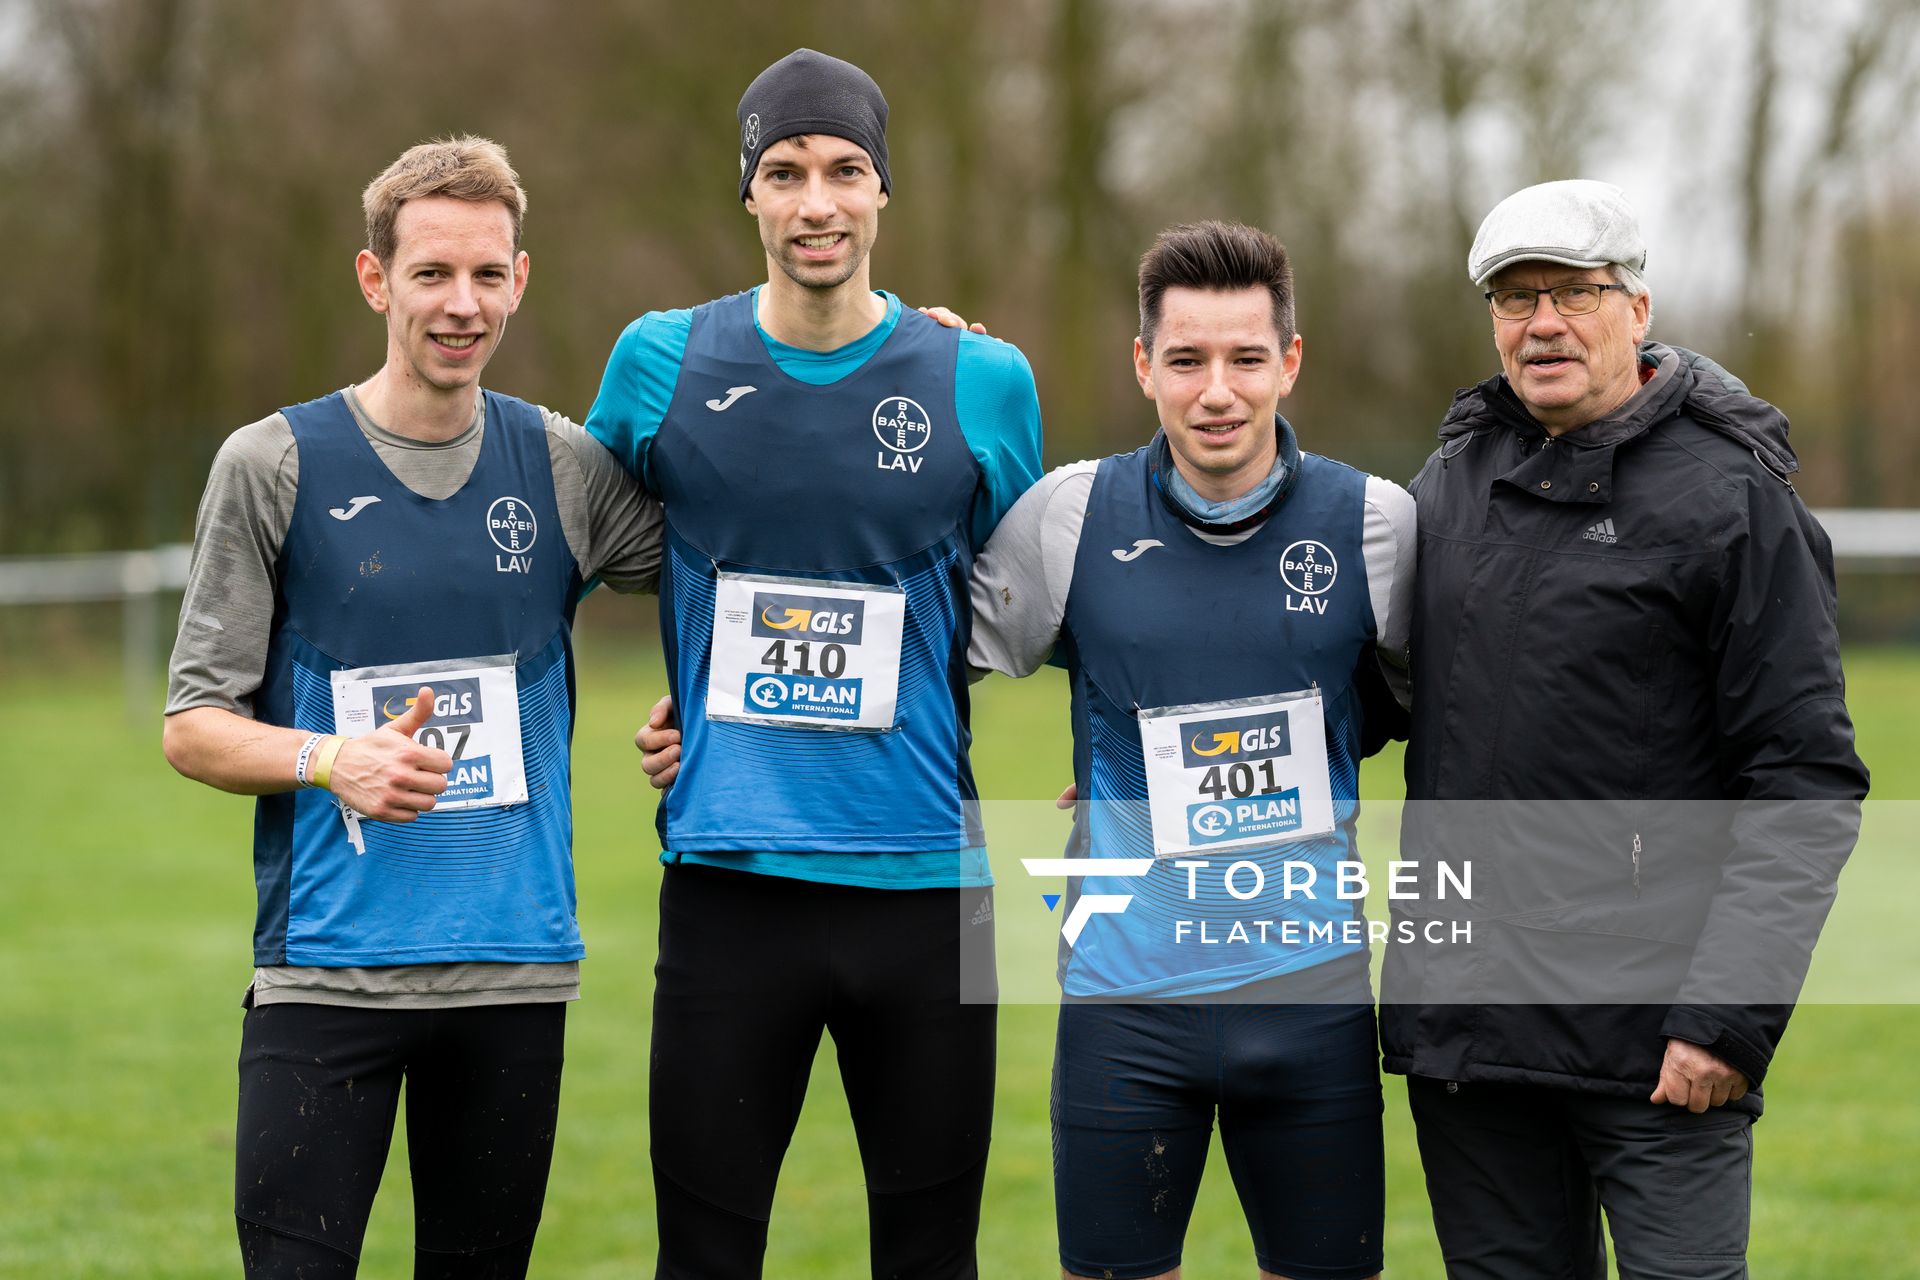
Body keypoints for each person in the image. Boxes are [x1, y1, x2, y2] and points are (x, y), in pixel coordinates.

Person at [643, 220, 1416, 1280]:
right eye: (1186, 359)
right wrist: (721, 705)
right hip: (1124, 1005)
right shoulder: (1068, 515)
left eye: (1245, 358)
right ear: (1143, 365)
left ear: (1291, 359)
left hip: (1311, 993)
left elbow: (1439, 704)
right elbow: (907, 642)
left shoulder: (1379, 524)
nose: (1217, 390)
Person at [162, 136, 663, 1278]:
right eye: (432, 272)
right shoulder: (274, 462)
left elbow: (735, 568)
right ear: (374, 278)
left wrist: (910, 357)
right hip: (325, 973)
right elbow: (193, 721)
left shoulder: (566, 466)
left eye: (488, 274)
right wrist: (333, 758)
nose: (462, 303)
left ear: (520, 281)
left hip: (513, 970)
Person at [582, 49, 1043, 1279]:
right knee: (707, 1253)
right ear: (749, 195)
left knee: (933, 1256)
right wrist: (684, 691)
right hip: (732, 884)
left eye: (845, 170)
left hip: (931, 891)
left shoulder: (983, 380)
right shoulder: (658, 361)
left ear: (885, 191)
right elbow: (578, 546)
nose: (816, 200)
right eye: (785, 172)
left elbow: (1014, 605)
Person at [1381, 179, 1870, 1279]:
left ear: (1636, 309)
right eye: (1515, 297)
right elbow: (1362, 693)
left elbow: (1804, 778)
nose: (1541, 322)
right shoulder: (1451, 484)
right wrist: (1141, 733)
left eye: (1573, 292)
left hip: (1659, 1046)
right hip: (1472, 1041)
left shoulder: (1733, 500)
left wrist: (1726, 1018)